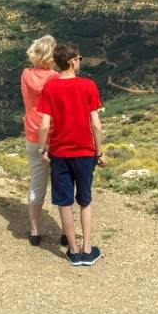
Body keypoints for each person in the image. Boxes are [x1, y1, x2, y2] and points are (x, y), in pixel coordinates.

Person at [33, 43, 103, 267]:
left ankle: (73, 251)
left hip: (60, 153)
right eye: (79, 58)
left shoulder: (50, 88)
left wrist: (44, 148)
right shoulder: (88, 86)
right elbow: (96, 125)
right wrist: (99, 151)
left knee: (64, 203)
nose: (80, 61)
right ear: (73, 61)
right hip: (84, 152)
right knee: (85, 200)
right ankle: (88, 248)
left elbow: (44, 125)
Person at [18, 35, 59, 247]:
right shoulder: (56, 78)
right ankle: (65, 231)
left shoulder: (25, 75)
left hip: (33, 135)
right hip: (55, 136)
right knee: (62, 183)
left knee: (36, 182)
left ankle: (34, 231)